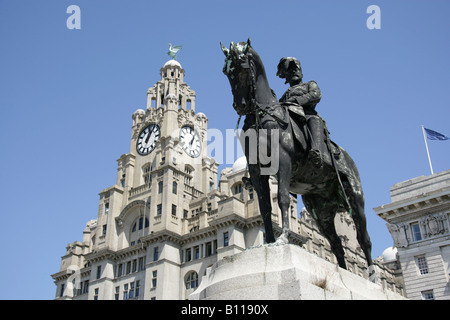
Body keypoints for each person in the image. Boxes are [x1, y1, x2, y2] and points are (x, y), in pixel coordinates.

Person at [277, 57, 324, 167]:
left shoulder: (309, 84)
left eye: (296, 69)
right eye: (289, 70)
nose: (293, 71)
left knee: (314, 119)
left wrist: (296, 101)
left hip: (306, 115)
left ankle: (316, 151)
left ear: (301, 72)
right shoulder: (285, 95)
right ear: (286, 77)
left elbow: (316, 95)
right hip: (290, 119)